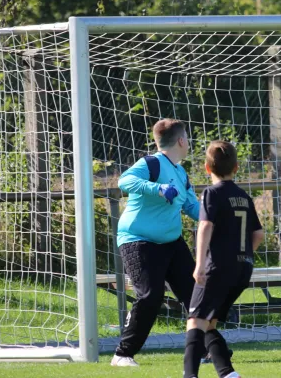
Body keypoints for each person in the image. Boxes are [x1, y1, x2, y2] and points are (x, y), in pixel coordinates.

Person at [111, 118, 200, 367]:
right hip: (138, 240)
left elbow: (192, 207)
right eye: (188, 139)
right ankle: (122, 354)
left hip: (171, 242)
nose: (189, 143)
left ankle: (203, 349)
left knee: (195, 295)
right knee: (151, 295)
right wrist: (158, 189)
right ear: (181, 141)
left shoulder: (181, 173)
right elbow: (124, 181)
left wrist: (218, 218)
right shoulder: (150, 163)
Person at [184, 140, 264, 378]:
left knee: (195, 321)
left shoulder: (211, 193)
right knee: (209, 323)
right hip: (242, 269)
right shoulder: (244, 196)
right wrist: (243, 255)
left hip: (217, 268)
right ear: (236, 167)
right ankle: (227, 373)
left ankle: (190, 375)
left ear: (207, 168)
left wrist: (199, 264)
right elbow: (258, 234)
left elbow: (206, 225)